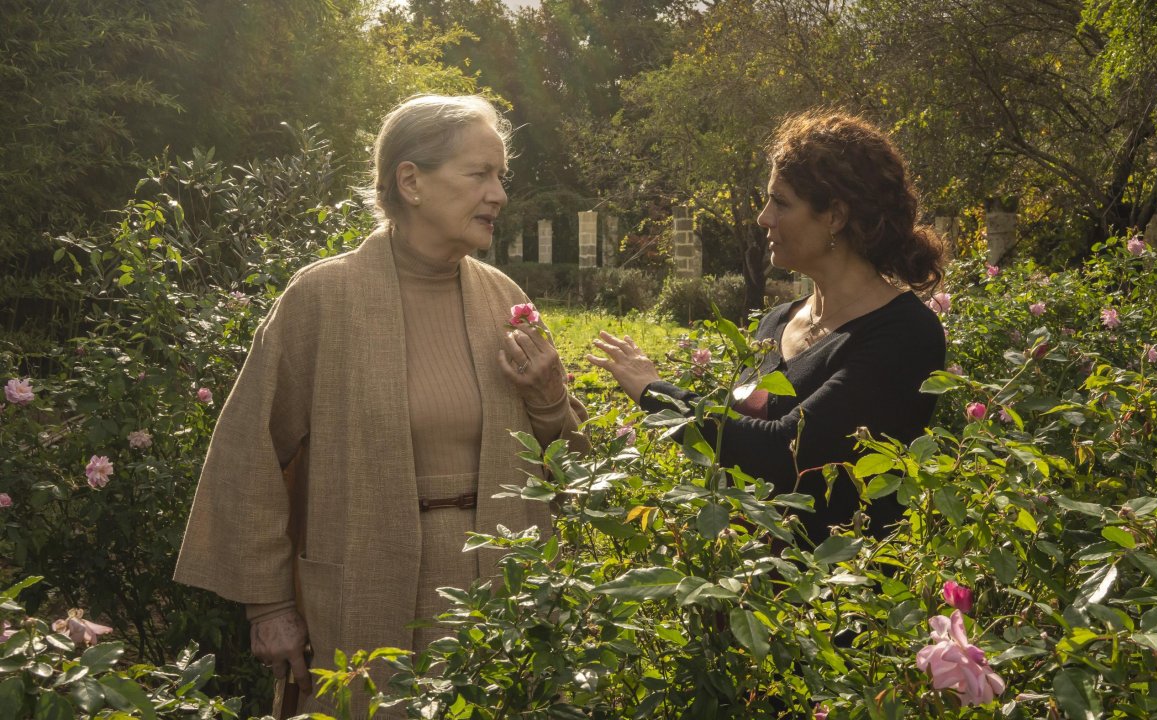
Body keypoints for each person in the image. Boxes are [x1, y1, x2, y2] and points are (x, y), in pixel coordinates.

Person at [173, 95, 587, 715]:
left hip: (502, 590)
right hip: (365, 589)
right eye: (480, 174)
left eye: (502, 176)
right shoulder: (323, 298)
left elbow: (577, 463)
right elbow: (247, 451)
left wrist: (552, 401)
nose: (499, 194)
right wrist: (270, 607)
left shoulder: (505, 299)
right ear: (411, 181)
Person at [589, 109, 945, 547]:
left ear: (834, 215)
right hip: (745, 591)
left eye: (780, 202)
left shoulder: (904, 335)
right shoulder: (778, 322)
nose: (763, 218)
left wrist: (656, 392)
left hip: (830, 599)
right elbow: (732, 450)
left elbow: (782, 452)